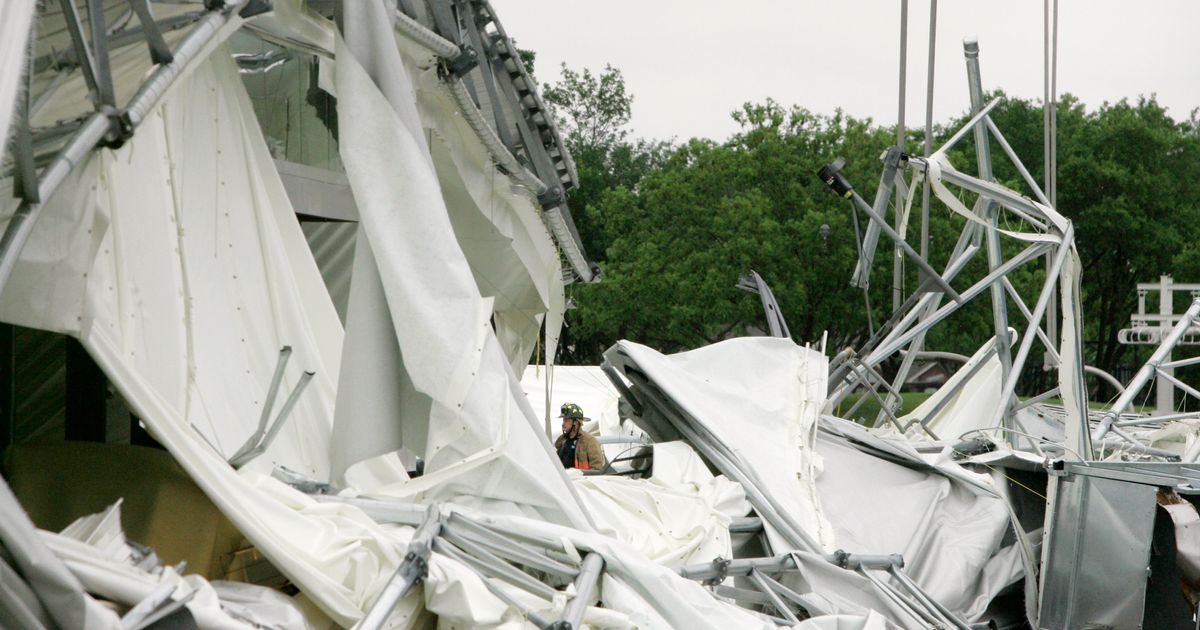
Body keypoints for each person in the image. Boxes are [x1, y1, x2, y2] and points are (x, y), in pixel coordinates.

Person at [554, 402, 604, 470]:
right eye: (563, 420)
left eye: (566, 420)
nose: (563, 424)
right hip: (562, 479)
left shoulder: (589, 441)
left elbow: (597, 468)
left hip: (581, 480)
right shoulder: (562, 440)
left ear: (576, 422)